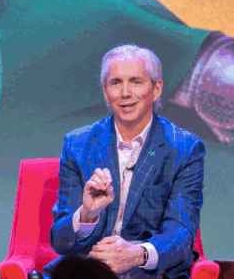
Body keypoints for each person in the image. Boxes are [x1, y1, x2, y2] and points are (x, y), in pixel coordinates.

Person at [45, 44, 206, 279]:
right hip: (86, 273)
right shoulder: (78, 144)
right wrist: (87, 215)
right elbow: (60, 241)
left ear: (156, 89)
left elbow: (181, 233)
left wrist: (137, 254)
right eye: (116, 83)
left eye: (136, 82)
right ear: (105, 92)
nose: (125, 93)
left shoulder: (184, 148)